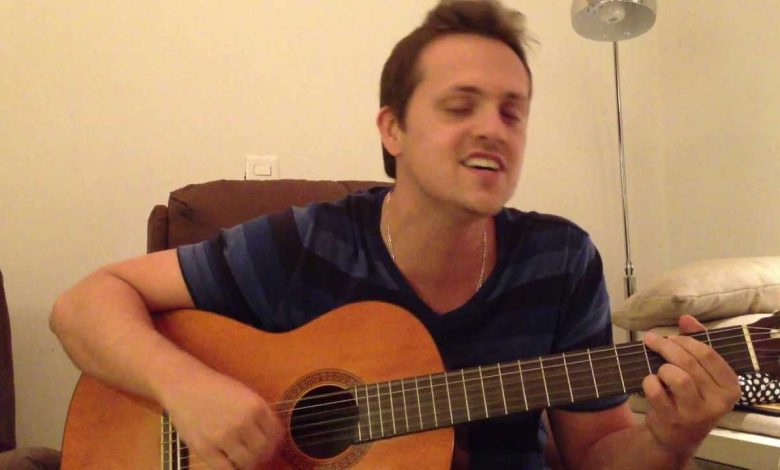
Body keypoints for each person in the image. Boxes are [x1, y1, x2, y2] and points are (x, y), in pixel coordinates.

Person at [50, 1, 741, 468]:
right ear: (393, 130)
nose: (493, 129)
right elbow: (83, 305)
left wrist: (670, 439)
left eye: (513, 112)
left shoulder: (559, 259)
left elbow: (596, 454)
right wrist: (189, 389)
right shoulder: (307, 244)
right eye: (460, 106)